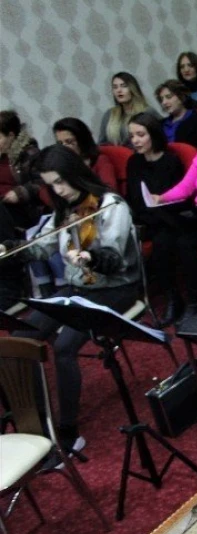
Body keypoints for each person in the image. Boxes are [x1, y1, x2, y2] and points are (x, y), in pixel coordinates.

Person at [4, 145, 141, 453]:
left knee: (65, 347)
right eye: (52, 184)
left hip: (115, 288)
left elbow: (115, 259)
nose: (59, 190)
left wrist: (90, 257)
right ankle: (39, 424)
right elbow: (43, 247)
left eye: (61, 181)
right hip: (78, 288)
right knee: (21, 337)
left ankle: (68, 432)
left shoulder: (111, 205)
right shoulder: (64, 212)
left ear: (75, 174)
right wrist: (7, 249)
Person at [123, 112, 187, 324]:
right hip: (143, 218)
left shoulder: (170, 161)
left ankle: (173, 298)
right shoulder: (133, 162)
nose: (135, 141)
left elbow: (177, 197)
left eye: (140, 135)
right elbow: (133, 196)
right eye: (132, 136)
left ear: (153, 135)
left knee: (162, 242)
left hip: (167, 218)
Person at [0, 110, 41, 308]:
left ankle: (10, 284)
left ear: (10, 136)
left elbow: (42, 183)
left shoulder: (28, 153)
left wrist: (20, 192)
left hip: (25, 210)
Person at [53, 118, 118, 192]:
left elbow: (111, 191)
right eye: (60, 143)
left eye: (69, 141)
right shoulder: (60, 165)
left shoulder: (100, 161)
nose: (64, 147)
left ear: (82, 140)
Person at [97, 72, 156, 147]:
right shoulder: (109, 114)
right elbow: (101, 144)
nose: (119, 90)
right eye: (115, 87)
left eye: (123, 86)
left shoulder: (147, 111)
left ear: (133, 88)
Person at [155, 80, 197, 150]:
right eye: (161, 99)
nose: (164, 102)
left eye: (169, 97)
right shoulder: (160, 124)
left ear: (181, 97)